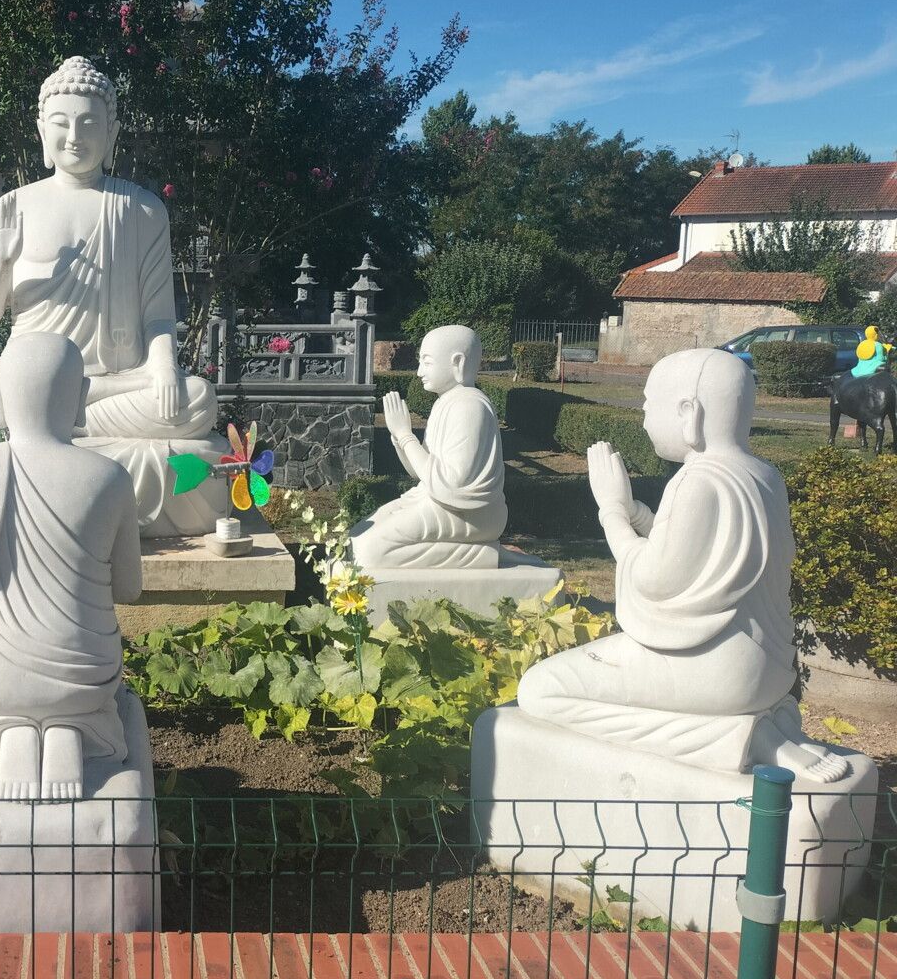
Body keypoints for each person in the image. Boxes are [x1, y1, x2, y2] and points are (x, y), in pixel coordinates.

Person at [0, 56, 221, 535]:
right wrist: (2, 262)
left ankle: (45, 433)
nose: (74, 136)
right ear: (41, 132)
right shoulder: (14, 206)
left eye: (89, 123)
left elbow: (159, 316)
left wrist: (162, 369)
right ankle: (58, 433)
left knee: (196, 401)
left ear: (112, 133)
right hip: (22, 381)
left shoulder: (142, 210)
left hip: (110, 382)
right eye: (61, 123)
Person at [516, 348, 848, 782]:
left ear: (689, 413)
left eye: (649, 405)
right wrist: (637, 513)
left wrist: (611, 511)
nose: (643, 417)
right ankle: (770, 725)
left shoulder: (699, 479)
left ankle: (738, 738)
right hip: (767, 672)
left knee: (541, 691)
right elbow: (702, 556)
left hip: (713, 673)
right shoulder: (766, 476)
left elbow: (655, 579)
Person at [0, 332, 144, 802]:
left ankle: (14, 732)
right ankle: (71, 730)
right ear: (81, 399)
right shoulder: (110, 478)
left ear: (1, 400)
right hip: (84, 680)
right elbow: (129, 589)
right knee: (85, 699)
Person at [350, 325, 507, 569]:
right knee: (357, 536)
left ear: (458, 363)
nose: (419, 372)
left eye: (427, 362)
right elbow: (420, 473)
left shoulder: (470, 406)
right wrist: (400, 436)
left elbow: (451, 484)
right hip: (437, 500)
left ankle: (483, 556)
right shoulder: (445, 403)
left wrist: (405, 436)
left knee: (369, 553)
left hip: (470, 514)